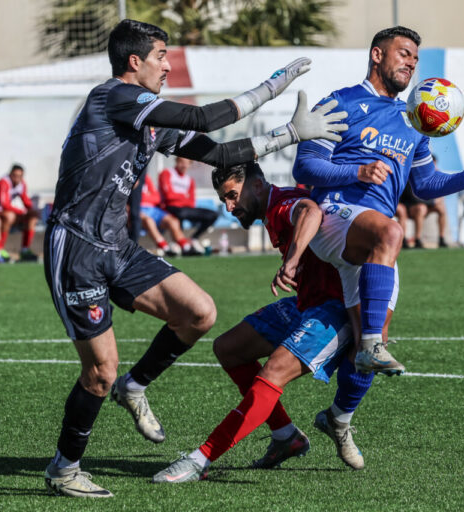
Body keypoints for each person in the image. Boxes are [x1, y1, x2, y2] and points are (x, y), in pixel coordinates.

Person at [42, 19, 347, 499]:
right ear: (134, 61)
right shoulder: (113, 98)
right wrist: (271, 88)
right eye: (161, 56)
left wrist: (290, 133)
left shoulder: (147, 119)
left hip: (117, 247)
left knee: (199, 312)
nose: (167, 65)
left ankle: (135, 386)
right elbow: (204, 119)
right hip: (77, 248)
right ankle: (64, 468)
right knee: (99, 373)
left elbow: (221, 152)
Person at [153, 161, 396, 483]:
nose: (229, 207)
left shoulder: (281, 205)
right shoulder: (271, 210)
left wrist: (291, 262)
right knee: (228, 348)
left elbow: (310, 211)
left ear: (256, 185)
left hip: (335, 310)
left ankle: (200, 460)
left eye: (232, 196)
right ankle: (285, 436)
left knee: (272, 374)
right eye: (224, 199)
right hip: (306, 303)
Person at [293, 26, 464, 376]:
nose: (411, 63)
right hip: (333, 214)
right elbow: (305, 166)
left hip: (372, 234)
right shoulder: (341, 102)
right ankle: (370, 345)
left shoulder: (414, 121)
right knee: (392, 233)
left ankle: (345, 398)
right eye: (404, 53)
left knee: (373, 340)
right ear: (377, 55)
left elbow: (424, 184)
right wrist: (358, 172)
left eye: (415, 58)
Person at [158, 156, 216, 255]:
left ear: (190, 165)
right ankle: (181, 244)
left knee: (212, 215)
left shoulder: (190, 180)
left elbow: (191, 202)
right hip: (169, 208)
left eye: (187, 163)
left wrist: (177, 197)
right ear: (176, 161)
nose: (184, 165)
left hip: (185, 209)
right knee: (180, 213)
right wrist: (184, 196)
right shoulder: (167, 173)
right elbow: (168, 196)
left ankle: (193, 239)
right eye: (181, 162)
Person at [0, 163, 41, 262]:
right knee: (10, 216)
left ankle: (25, 250)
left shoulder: (22, 184)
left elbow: (25, 200)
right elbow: (4, 204)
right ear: (10, 174)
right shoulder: (3, 182)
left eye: (20, 176)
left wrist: (32, 210)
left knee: (32, 217)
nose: (17, 178)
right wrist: (21, 211)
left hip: (9, 212)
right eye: (14, 175)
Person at [138, 174, 188, 256]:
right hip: (138, 209)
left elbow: (157, 198)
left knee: (173, 221)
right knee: (149, 221)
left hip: (153, 208)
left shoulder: (145, 177)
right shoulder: (127, 177)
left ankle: (185, 247)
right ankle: (164, 247)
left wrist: (143, 197)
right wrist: (148, 196)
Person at [396, 182, 449, 249]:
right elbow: (413, 197)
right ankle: (416, 240)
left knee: (441, 208)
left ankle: (441, 239)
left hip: (423, 203)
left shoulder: (427, 178)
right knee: (421, 209)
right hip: (409, 205)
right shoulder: (410, 178)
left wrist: (437, 199)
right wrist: (432, 201)